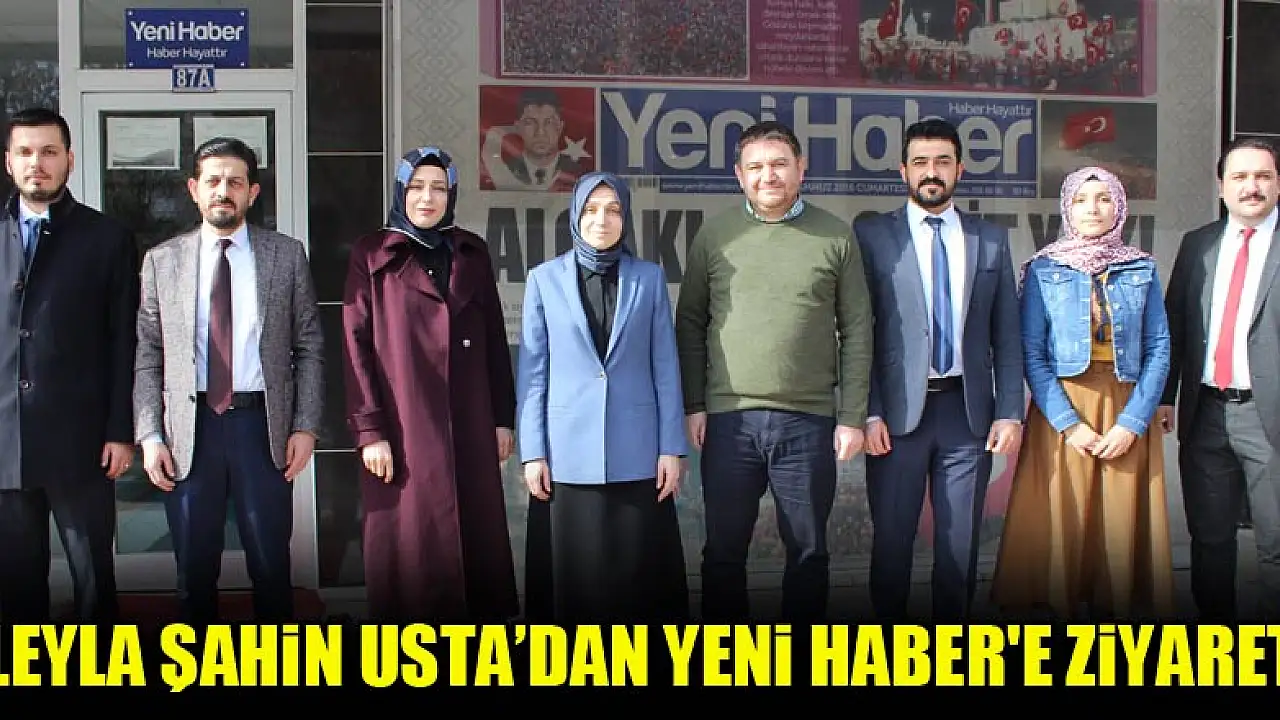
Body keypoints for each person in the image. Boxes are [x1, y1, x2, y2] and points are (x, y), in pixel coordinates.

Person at [675, 120, 873, 622]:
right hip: (730, 421)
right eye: (757, 167)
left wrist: (851, 416)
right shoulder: (715, 236)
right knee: (723, 553)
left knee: (808, 552)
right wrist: (694, 404)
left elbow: (857, 330)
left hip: (808, 422)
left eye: (780, 164)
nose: (769, 176)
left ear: (801, 169)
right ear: (739, 175)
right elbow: (691, 322)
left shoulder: (835, 236)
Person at [135, 137, 324, 624]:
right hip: (189, 430)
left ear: (252, 192)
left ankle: (278, 661)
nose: (224, 191)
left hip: (261, 427)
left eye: (235, 182)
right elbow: (148, 354)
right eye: (214, 181)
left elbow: (309, 345)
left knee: (271, 567)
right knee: (193, 573)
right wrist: (150, 434)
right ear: (194, 189)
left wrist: (305, 426)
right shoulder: (162, 261)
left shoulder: (285, 255)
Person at [853, 118, 1024, 622]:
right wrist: (869, 411)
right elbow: (859, 331)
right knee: (892, 545)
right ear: (903, 170)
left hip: (966, 415)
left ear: (959, 169)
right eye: (921, 162)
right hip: (895, 416)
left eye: (943, 162)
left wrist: (1009, 411)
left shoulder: (990, 239)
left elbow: (1006, 333)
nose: (932, 172)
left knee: (958, 549)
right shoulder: (873, 236)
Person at [341, 146, 519, 623]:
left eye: (438, 188)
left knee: (477, 549)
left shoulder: (471, 252)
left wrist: (502, 419)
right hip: (404, 423)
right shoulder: (371, 254)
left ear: (451, 195)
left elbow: (494, 339)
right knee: (413, 549)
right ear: (401, 191)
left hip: (470, 420)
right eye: (417, 186)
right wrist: (370, 431)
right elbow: (355, 345)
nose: (427, 197)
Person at [991, 166, 1174, 620]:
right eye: (1081, 200)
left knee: (1119, 525)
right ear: (1067, 209)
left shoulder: (1142, 267)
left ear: (1120, 208)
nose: (1093, 209)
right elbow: (1031, 352)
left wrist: (1133, 423)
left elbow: (1159, 347)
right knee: (1062, 524)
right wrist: (1070, 425)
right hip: (1063, 411)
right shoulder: (1043, 269)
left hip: (1127, 408)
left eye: (1104, 199)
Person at [517, 171, 689, 623]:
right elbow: (533, 374)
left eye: (613, 210)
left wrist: (671, 448)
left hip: (638, 454)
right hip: (566, 457)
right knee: (573, 584)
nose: (602, 220)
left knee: (637, 585)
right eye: (591, 210)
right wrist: (533, 453)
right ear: (575, 216)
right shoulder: (544, 280)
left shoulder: (648, 278)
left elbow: (665, 367)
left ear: (625, 218)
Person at [0, 107, 138, 623]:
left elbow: (123, 341)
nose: (37, 163)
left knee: (94, 580)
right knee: (17, 586)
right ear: (8, 162)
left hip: (81, 443)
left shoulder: (107, 238)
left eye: (49, 152)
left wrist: (120, 430)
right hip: (5, 442)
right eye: (25, 152)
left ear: (70, 160)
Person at [1158, 137, 1280, 622]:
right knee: (1210, 541)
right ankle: (1216, 646)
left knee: (1275, 544)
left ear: (1278, 184)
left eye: (1263, 176)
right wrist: (1166, 396)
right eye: (1240, 177)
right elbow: (1175, 323)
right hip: (1205, 413)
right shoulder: (1198, 244)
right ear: (1221, 186)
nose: (1252, 187)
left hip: (1271, 418)